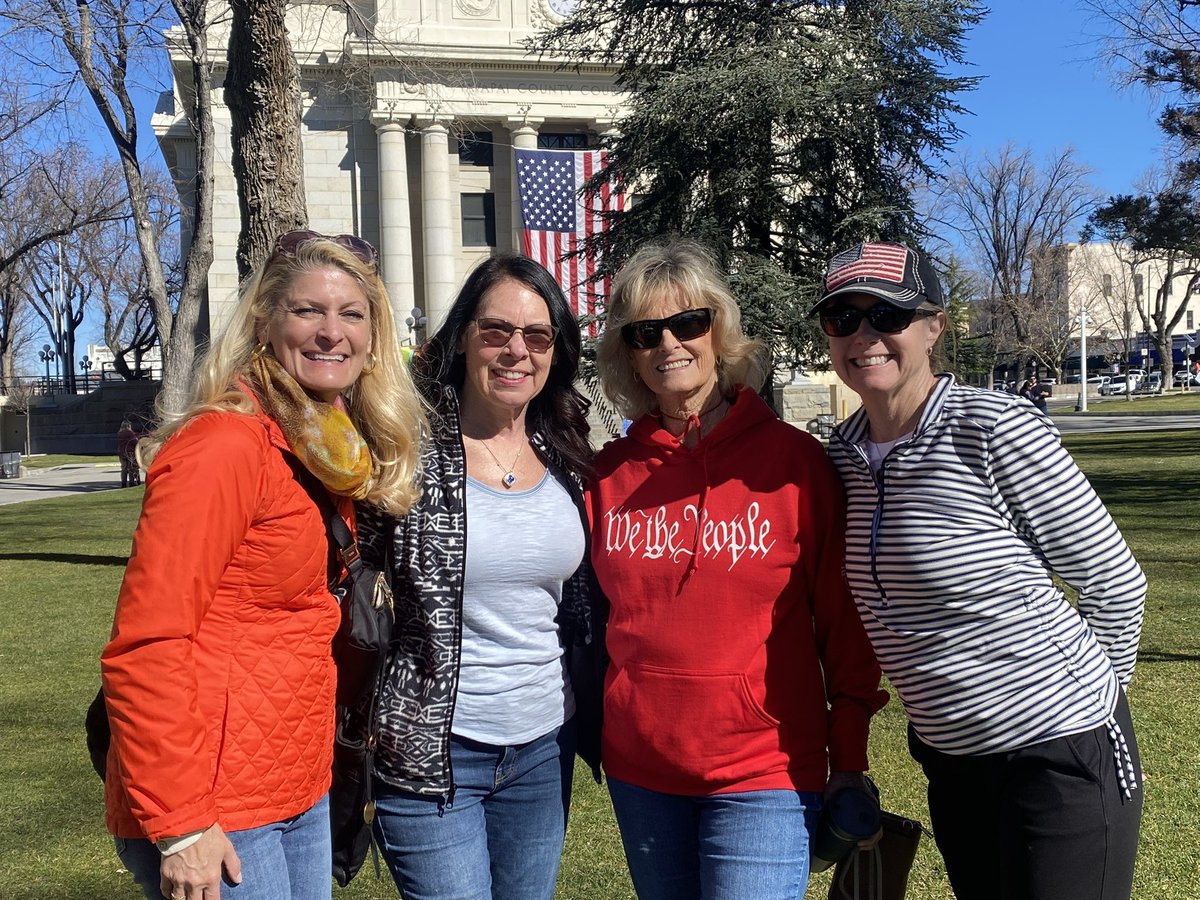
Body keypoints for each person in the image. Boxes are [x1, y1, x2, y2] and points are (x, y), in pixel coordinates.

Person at [814, 241, 1147, 900]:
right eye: (842, 318)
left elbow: (1115, 581)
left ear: (934, 326)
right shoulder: (841, 456)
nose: (865, 335)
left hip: (1060, 754)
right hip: (951, 761)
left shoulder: (993, 428)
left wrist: (1088, 706)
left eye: (887, 315)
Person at [100, 231, 426, 900]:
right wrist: (184, 825)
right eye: (308, 311)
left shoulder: (320, 447)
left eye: (352, 314)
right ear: (266, 322)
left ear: (373, 337)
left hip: (293, 782)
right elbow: (147, 644)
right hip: (215, 802)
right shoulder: (224, 445)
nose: (331, 332)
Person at [588, 240, 887, 900]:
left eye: (688, 322)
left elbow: (845, 627)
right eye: (645, 332)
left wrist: (851, 755)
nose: (670, 343)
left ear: (719, 329)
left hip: (766, 771)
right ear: (628, 352)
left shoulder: (792, 465)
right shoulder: (607, 477)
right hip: (643, 773)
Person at [355, 253, 599, 900]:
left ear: (554, 351)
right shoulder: (406, 453)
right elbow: (345, 573)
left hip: (543, 749)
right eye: (496, 331)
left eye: (537, 336)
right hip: (430, 752)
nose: (516, 350)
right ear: (462, 337)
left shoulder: (568, 452)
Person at [116, 419, 141, 487]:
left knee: (124, 468)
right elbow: (135, 441)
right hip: (129, 452)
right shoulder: (129, 432)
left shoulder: (119, 433)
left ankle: (123, 483)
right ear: (128, 425)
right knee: (131, 468)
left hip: (121, 452)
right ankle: (132, 482)